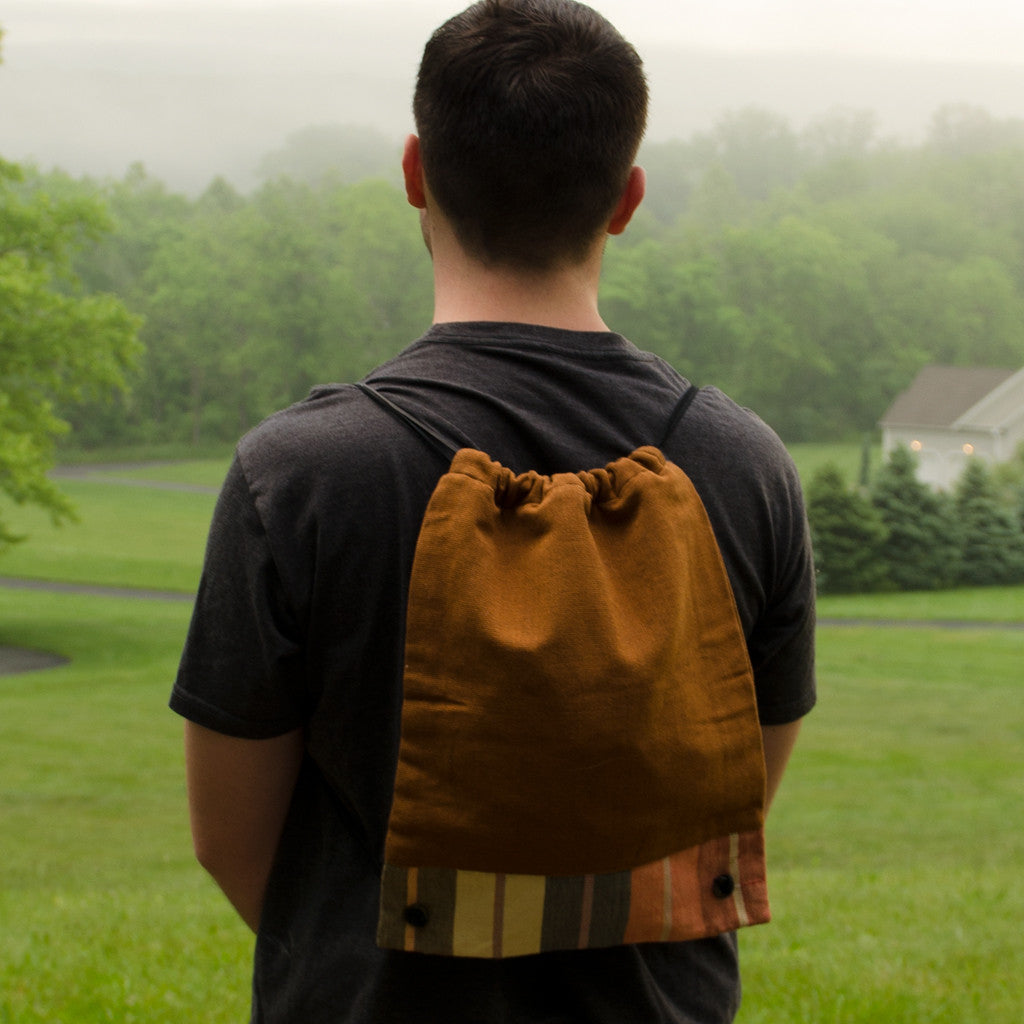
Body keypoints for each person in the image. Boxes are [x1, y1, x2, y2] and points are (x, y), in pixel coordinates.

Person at [171, 1, 816, 1020]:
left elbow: (231, 840)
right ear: (627, 197)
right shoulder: (743, 467)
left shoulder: (297, 475)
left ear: (415, 172)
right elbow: (734, 789)